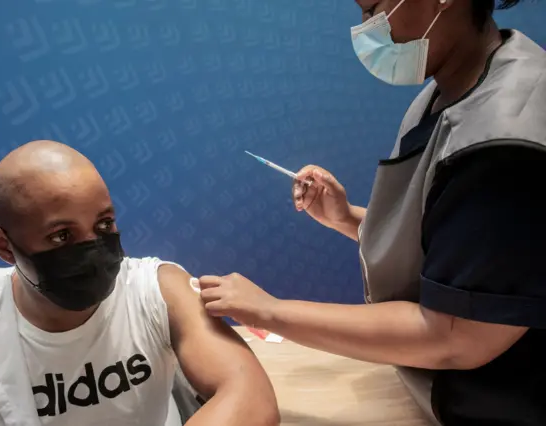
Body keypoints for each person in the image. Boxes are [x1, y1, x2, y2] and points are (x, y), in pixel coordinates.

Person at [197, 0, 546, 425]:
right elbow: (457, 251)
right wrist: (345, 218)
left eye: (375, 8)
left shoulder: (503, 142)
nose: (367, 30)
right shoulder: (452, 90)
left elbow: (456, 335)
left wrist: (269, 310)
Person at [0, 140, 279, 426]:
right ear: (4, 246)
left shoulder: (155, 288)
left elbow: (250, 396)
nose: (93, 248)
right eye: (61, 236)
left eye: (104, 225)